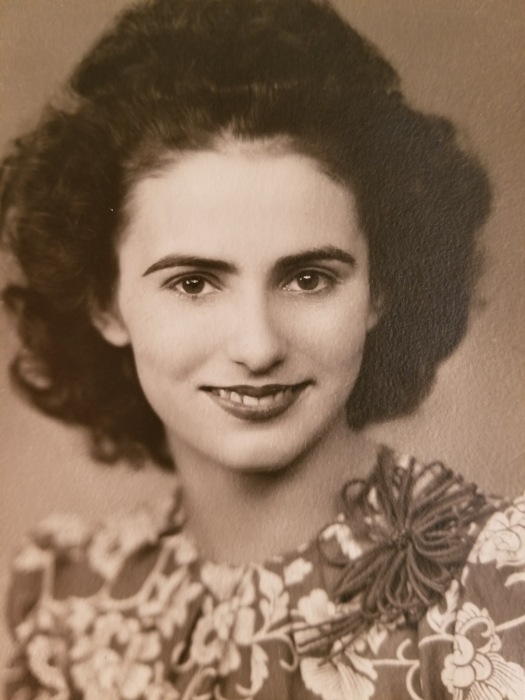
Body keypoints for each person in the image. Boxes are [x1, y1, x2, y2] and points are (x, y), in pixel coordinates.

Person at [1, 0, 524, 698]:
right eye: (193, 283)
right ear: (105, 301)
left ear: (380, 289)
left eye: (309, 278)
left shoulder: (496, 583)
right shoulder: (63, 600)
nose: (257, 345)